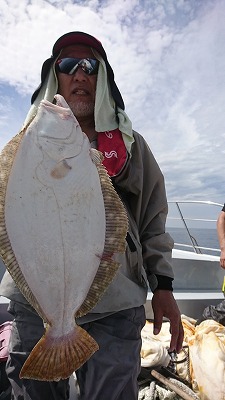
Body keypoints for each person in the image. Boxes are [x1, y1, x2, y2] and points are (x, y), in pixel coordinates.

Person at [0, 31, 184, 400]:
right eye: (68, 66)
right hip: (33, 300)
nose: (79, 75)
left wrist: (163, 285)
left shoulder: (130, 146)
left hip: (115, 305)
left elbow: (152, 215)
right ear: (56, 76)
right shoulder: (24, 145)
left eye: (90, 67)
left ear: (102, 80)